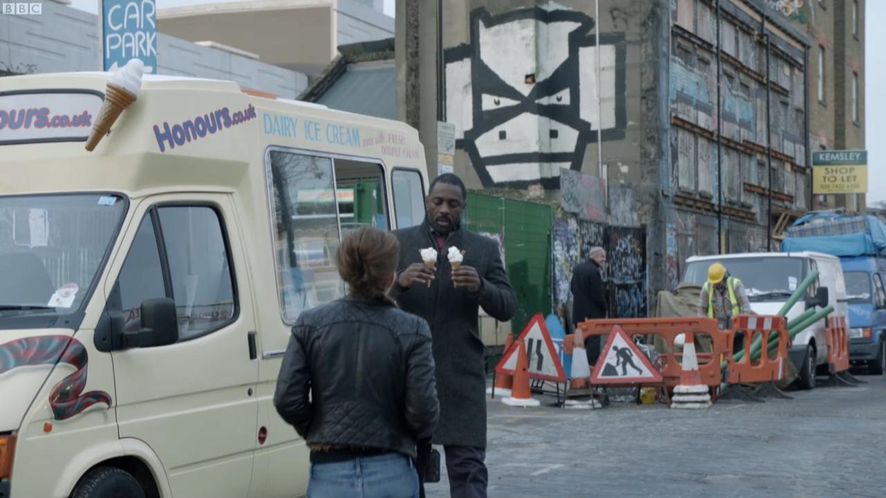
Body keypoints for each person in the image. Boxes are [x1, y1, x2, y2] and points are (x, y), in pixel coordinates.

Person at [274, 227, 439, 498]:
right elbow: (423, 411)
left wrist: (320, 429)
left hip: (330, 469)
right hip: (393, 466)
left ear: (344, 271)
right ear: (390, 277)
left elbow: (286, 399)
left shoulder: (309, 324)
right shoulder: (413, 329)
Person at [392, 173, 517, 498]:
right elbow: (369, 299)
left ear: (463, 207)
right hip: (408, 374)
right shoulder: (398, 243)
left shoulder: (482, 249)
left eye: (453, 204)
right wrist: (399, 284)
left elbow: (507, 306)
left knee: (469, 470)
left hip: (461, 375)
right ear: (427, 203)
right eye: (438, 201)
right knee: (404, 471)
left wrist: (482, 287)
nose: (444, 209)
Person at [571, 246, 608, 365]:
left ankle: (579, 367)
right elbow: (597, 294)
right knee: (593, 343)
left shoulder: (577, 269)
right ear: (595, 256)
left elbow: (572, 288)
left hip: (578, 314)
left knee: (580, 342)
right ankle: (591, 368)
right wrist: (604, 307)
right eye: (602, 257)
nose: (604, 260)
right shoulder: (594, 271)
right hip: (593, 316)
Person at [698, 262, 751, 330]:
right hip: (715, 331)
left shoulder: (735, 284)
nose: (715, 284)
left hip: (736, 331)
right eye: (714, 283)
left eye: (717, 282)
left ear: (724, 277)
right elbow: (701, 309)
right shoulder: (707, 287)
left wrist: (740, 326)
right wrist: (707, 326)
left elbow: (745, 307)